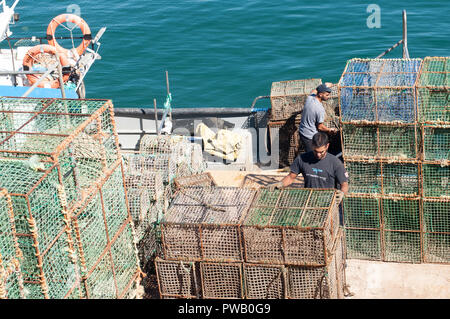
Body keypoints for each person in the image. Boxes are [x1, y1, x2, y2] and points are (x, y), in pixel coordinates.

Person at [268, 132, 348, 194]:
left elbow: (344, 185)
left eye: (321, 152)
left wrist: (341, 194)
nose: (318, 154)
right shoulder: (302, 159)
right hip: (309, 199)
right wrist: (280, 183)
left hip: (328, 201)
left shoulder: (335, 163)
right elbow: (290, 177)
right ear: (312, 145)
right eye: (315, 151)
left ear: (327, 146)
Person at [298, 83, 338, 153]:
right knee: (313, 155)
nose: (328, 97)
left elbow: (315, 90)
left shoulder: (310, 98)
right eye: (327, 95)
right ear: (320, 94)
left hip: (302, 131)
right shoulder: (319, 109)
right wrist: (330, 130)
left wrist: (324, 85)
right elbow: (320, 127)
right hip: (310, 136)